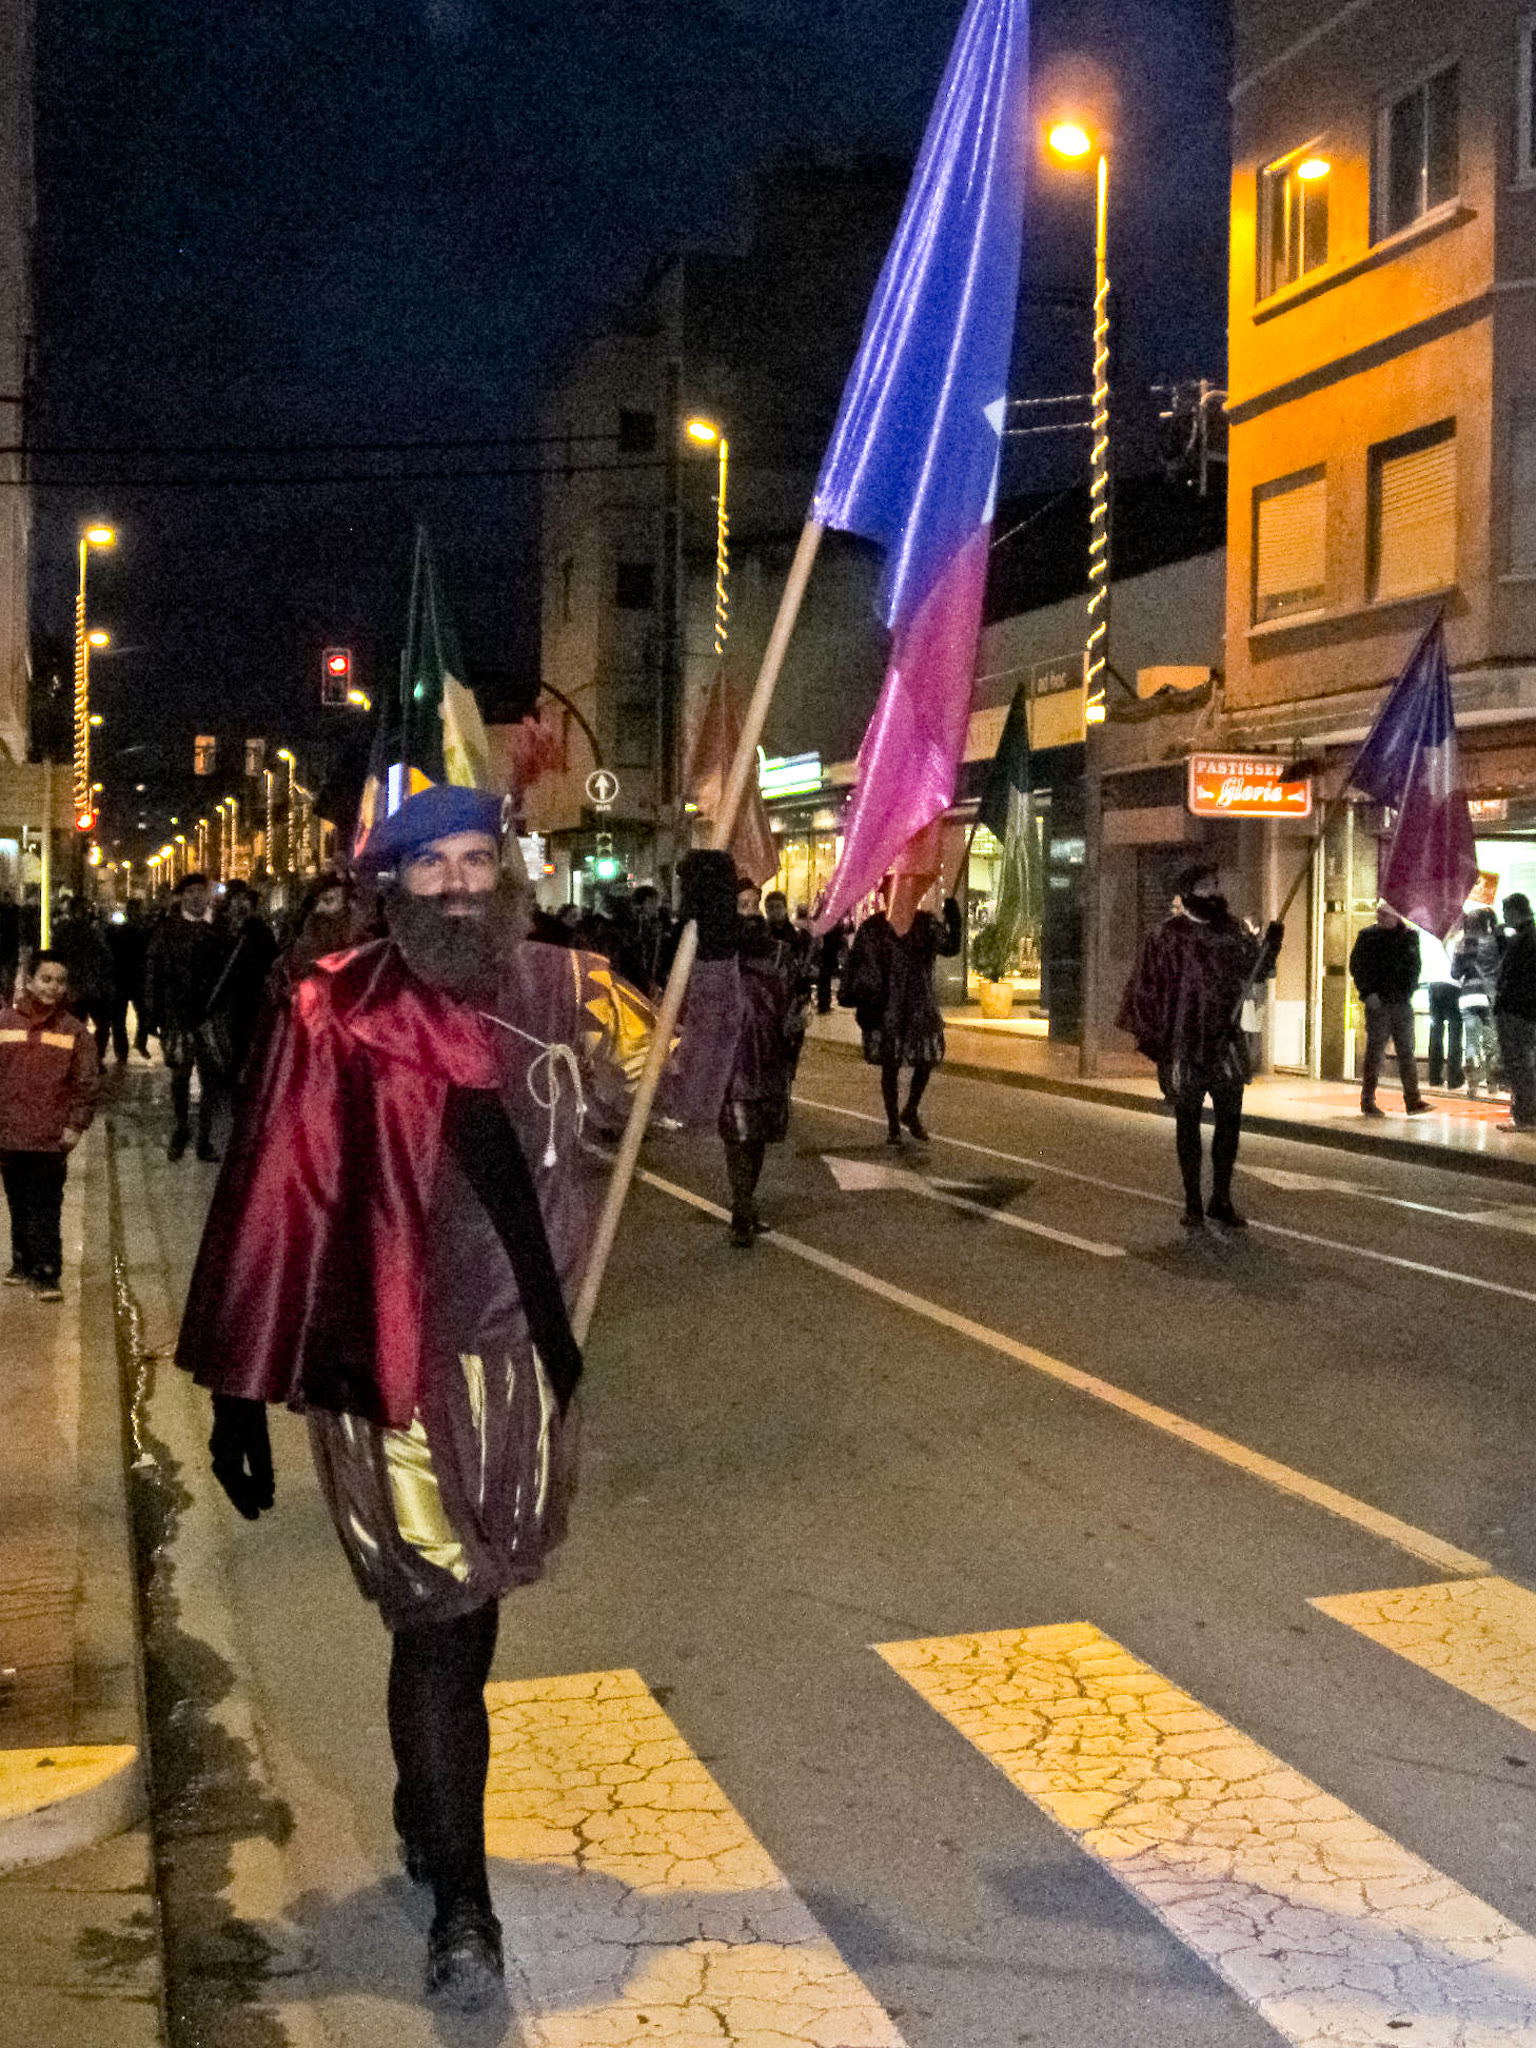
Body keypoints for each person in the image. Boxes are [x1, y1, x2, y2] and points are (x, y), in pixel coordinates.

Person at [174, 787, 739, 2012]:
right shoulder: (335, 1006)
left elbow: (682, 1096)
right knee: (438, 1620)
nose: (459, 884)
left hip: (522, 1365)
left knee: (469, 1624)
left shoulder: (570, 988)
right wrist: (236, 1392)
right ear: (390, 886)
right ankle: (463, 1904)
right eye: (430, 866)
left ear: (509, 870)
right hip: (389, 1373)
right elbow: (275, 1193)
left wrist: (722, 952)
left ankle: (429, 1796)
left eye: (479, 858)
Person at [1117, 861, 1283, 1229]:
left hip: (1226, 1043)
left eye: (1216, 884)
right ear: (1189, 892)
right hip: (1185, 1044)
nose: (1215, 891)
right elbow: (1146, 991)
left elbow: (1255, 973)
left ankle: (1221, 1198)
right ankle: (1193, 1202)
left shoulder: (1233, 930)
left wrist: (1271, 946)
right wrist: (1160, 1041)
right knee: (1188, 1122)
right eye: (1207, 885)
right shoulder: (1166, 937)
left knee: (1230, 1121)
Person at [0, 951, 99, 1300]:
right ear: (29, 982)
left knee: (45, 1205)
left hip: (50, 1137)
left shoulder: (74, 1031)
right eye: (46, 979)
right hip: (10, 1134)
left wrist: (75, 1125)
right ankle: (22, 1262)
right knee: (17, 1200)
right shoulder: (5, 1024)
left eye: (60, 981)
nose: (53, 987)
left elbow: (86, 1084)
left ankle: (47, 1271)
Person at [840, 888, 963, 1144]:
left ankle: (911, 1109)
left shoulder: (925, 924)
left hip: (920, 1005)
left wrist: (953, 915)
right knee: (890, 1066)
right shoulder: (873, 928)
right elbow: (857, 963)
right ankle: (893, 1124)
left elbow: (950, 946)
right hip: (888, 1008)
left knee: (926, 1060)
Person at [720, 886, 797, 1248]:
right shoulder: (720, 957)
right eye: (743, 905)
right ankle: (742, 1209)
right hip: (734, 1063)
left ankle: (746, 1204)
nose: (750, 912)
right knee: (738, 1138)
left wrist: (794, 1021)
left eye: (754, 905)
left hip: (767, 1059)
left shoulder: (778, 953)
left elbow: (790, 1004)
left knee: (757, 1139)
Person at [144, 872, 232, 1161]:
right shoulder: (167, 930)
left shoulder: (220, 928)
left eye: (200, 891)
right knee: (180, 1076)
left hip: (210, 1016)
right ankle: (181, 1128)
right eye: (190, 892)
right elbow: (154, 972)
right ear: (181, 896)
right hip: (178, 1015)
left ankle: (204, 1139)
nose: (196, 897)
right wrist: (152, 1015)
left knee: (211, 1080)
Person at [1349, 902, 1430, 1118]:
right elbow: (1357, 966)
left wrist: (1408, 991)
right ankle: (1368, 1099)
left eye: (1384, 914)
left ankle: (1413, 1099)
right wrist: (1368, 993)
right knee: (1375, 1052)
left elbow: (1414, 967)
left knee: (1406, 1051)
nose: (1380, 917)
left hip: (1400, 1001)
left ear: (1396, 916)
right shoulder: (1368, 937)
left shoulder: (1409, 937)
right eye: (1379, 914)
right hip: (1379, 1001)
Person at [210, 882, 279, 1082]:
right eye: (236, 899)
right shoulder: (218, 929)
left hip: (252, 997)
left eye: (245, 899)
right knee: (226, 1048)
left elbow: (272, 961)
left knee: (248, 1044)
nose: (241, 904)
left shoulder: (260, 930)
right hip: (224, 1001)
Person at [51, 896, 117, 1060]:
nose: (85, 913)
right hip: (80, 987)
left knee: (99, 1025)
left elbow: (106, 957)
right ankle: (84, 1058)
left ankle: (90, 1058)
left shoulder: (89, 931)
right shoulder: (70, 932)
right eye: (82, 910)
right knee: (82, 1025)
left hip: (89, 986)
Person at [1495, 892, 1536, 1132]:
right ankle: (1524, 1114)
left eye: (1505, 912)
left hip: (1516, 1010)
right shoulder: (1524, 937)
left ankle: (1525, 1116)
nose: (1503, 917)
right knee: (1523, 1062)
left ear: (1514, 912)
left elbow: (1511, 974)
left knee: (1519, 1063)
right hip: (1523, 1010)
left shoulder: (1524, 939)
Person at [1453, 907, 1504, 1100]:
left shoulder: (1462, 944)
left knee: (1471, 1040)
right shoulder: (1493, 942)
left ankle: (1472, 1084)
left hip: (1467, 996)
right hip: (1488, 994)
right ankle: (1492, 1084)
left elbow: (1455, 974)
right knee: (1491, 1041)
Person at [104, 902, 151, 1064]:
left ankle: (123, 1051)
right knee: (137, 1015)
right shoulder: (142, 931)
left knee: (120, 1019)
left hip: (123, 978)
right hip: (131, 979)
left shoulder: (118, 931)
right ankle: (131, 1046)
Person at [1420, 922, 1464, 1092]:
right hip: (1453, 986)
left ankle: (1434, 1076)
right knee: (1455, 1031)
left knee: (1436, 1030)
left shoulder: (1432, 939)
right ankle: (1454, 1077)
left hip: (1434, 985)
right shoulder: (1459, 941)